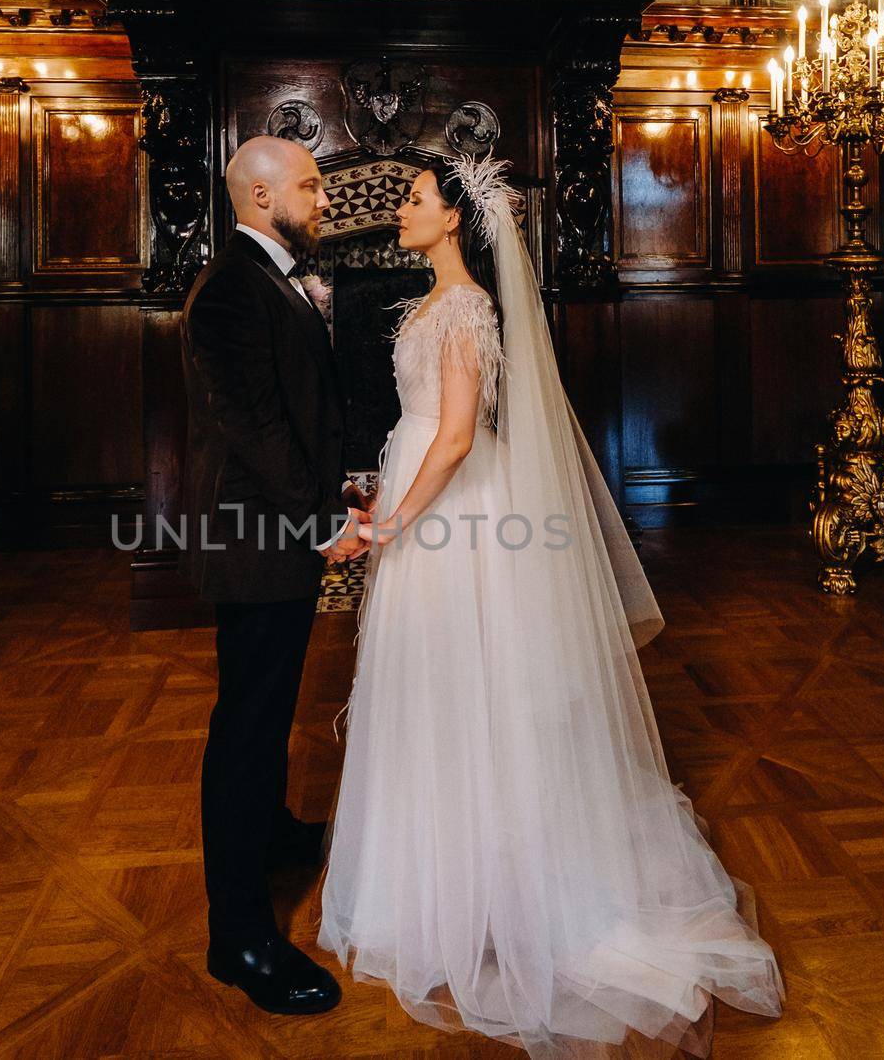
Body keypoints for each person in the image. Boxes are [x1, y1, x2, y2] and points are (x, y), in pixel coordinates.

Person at [317, 154, 785, 1057]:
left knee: (469, 683)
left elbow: (456, 436)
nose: (401, 214)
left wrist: (400, 520)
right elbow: (423, 429)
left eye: (414, 202)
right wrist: (384, 496)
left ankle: (493, 882)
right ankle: (431, 872)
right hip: (419, 497)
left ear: (455, 219)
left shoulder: (463, 308)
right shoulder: (426, 306)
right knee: (434, 685)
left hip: (451, 511)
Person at [179, 134, 370, 1016]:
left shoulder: (272, 279)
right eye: (309, 185)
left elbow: (300, 409)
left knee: (270, 703)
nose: (323, 198)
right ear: (260, 198)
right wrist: (325, 520)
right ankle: (240, 938)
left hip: (276, 532)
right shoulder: (229, 291)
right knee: (248, 726)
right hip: (256, 539)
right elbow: (254, 426)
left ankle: (275, 829)